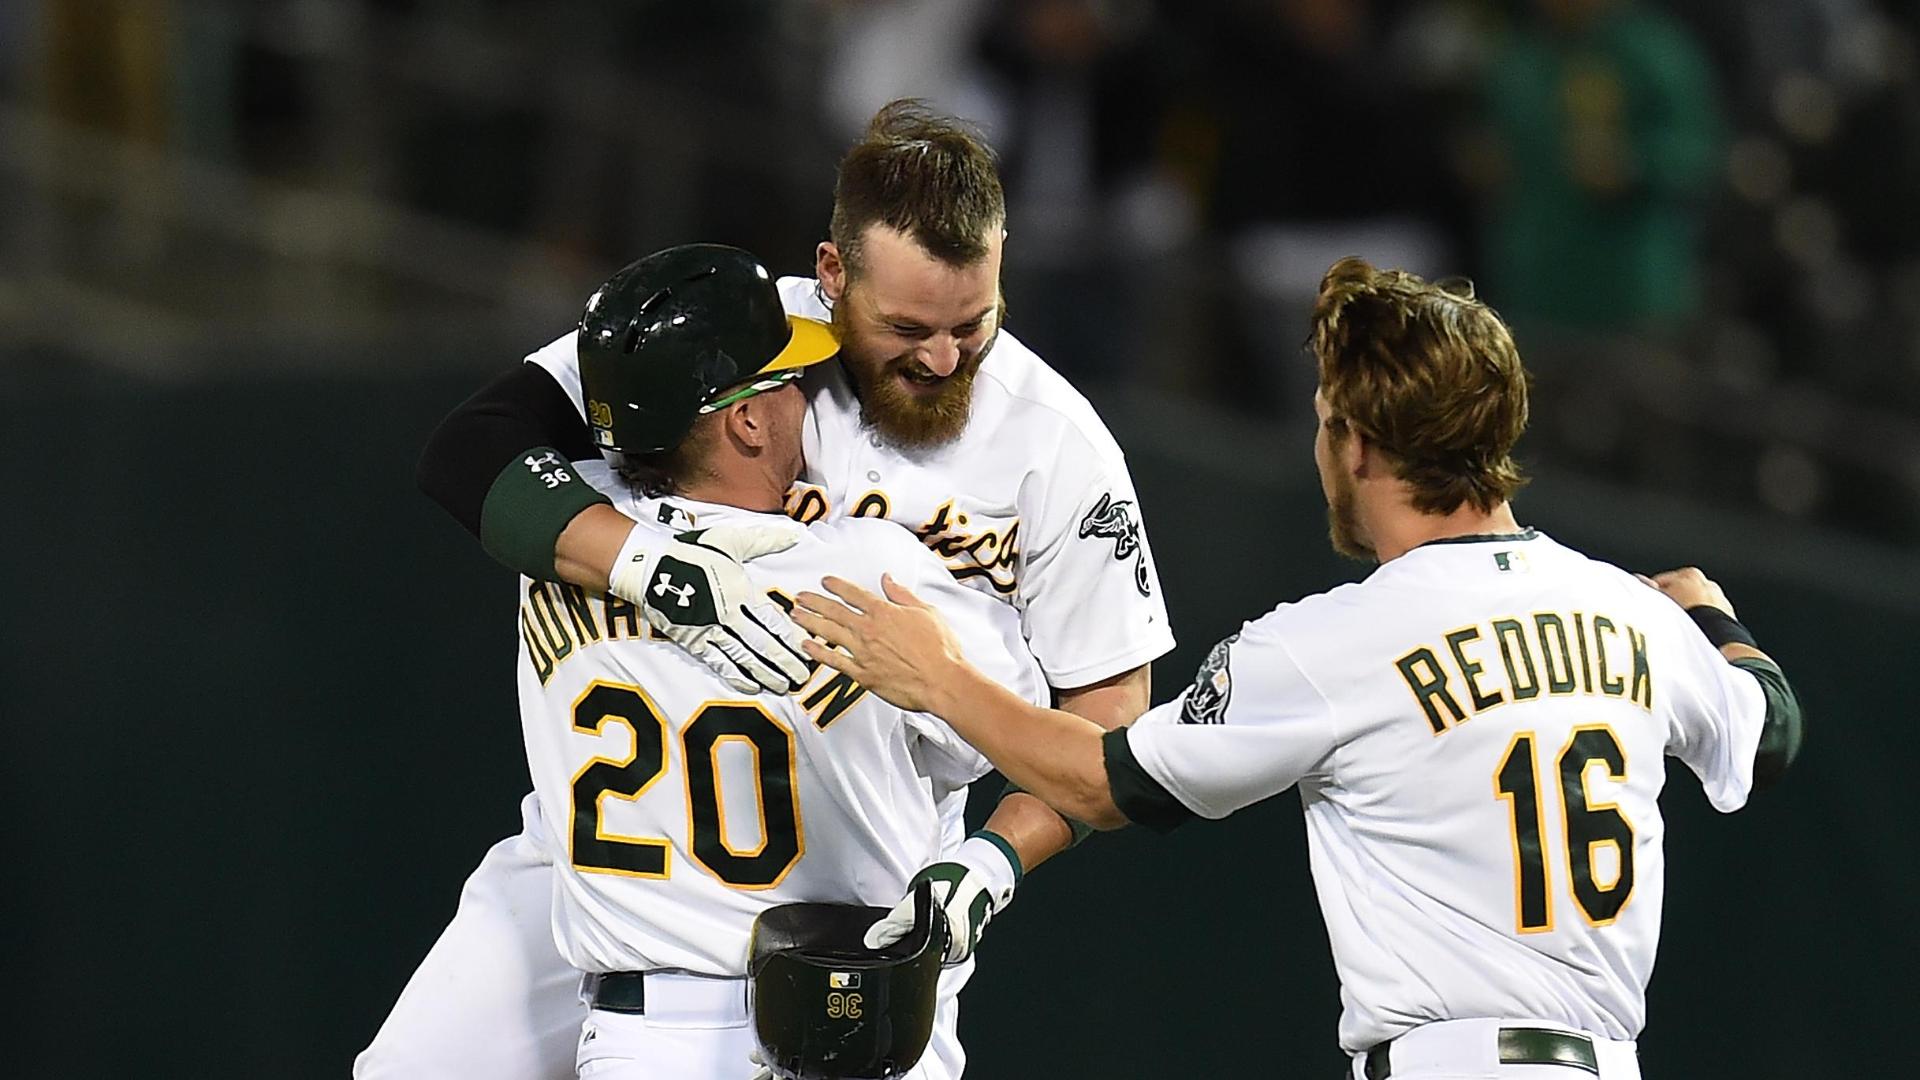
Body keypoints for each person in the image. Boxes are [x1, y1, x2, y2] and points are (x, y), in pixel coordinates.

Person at [793, 256, 1805, 1080]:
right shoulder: (1625, 612)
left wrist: (939, 679)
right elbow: (1772, 726)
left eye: (1328, 420)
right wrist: (1709, 614)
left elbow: (1103, 782)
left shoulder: (1339, 641)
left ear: (1359, 444)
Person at [359, 100, 1175, 1079]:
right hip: (599, 873)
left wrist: (996, 858)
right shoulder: (736, 334)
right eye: (907, 325)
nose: (944, 356)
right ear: (830, 279)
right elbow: (475, 443)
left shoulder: (1056, 442)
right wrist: (662, 571)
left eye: (974, 322)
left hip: (853, 882)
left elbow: (1108, 720)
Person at [496, 242, 1044, 1079]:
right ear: (747, 421)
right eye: (789, 380)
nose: (809, 397)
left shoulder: (559, 559)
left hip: (637, 1043)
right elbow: (1012, 742)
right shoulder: (864, 568)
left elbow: (514, 483)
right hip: (842, 1029)